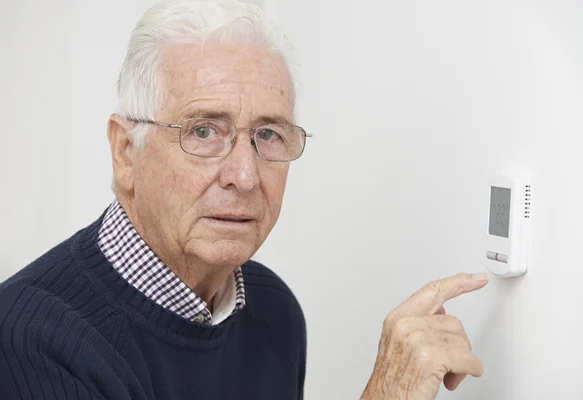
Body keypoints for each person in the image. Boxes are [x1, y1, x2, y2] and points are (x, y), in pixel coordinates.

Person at [0, 0, 488, 399]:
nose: (245, 174)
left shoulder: (273, 310)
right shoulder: (31, 339)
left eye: (269, 133)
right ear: (126, 152)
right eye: (204, 130)